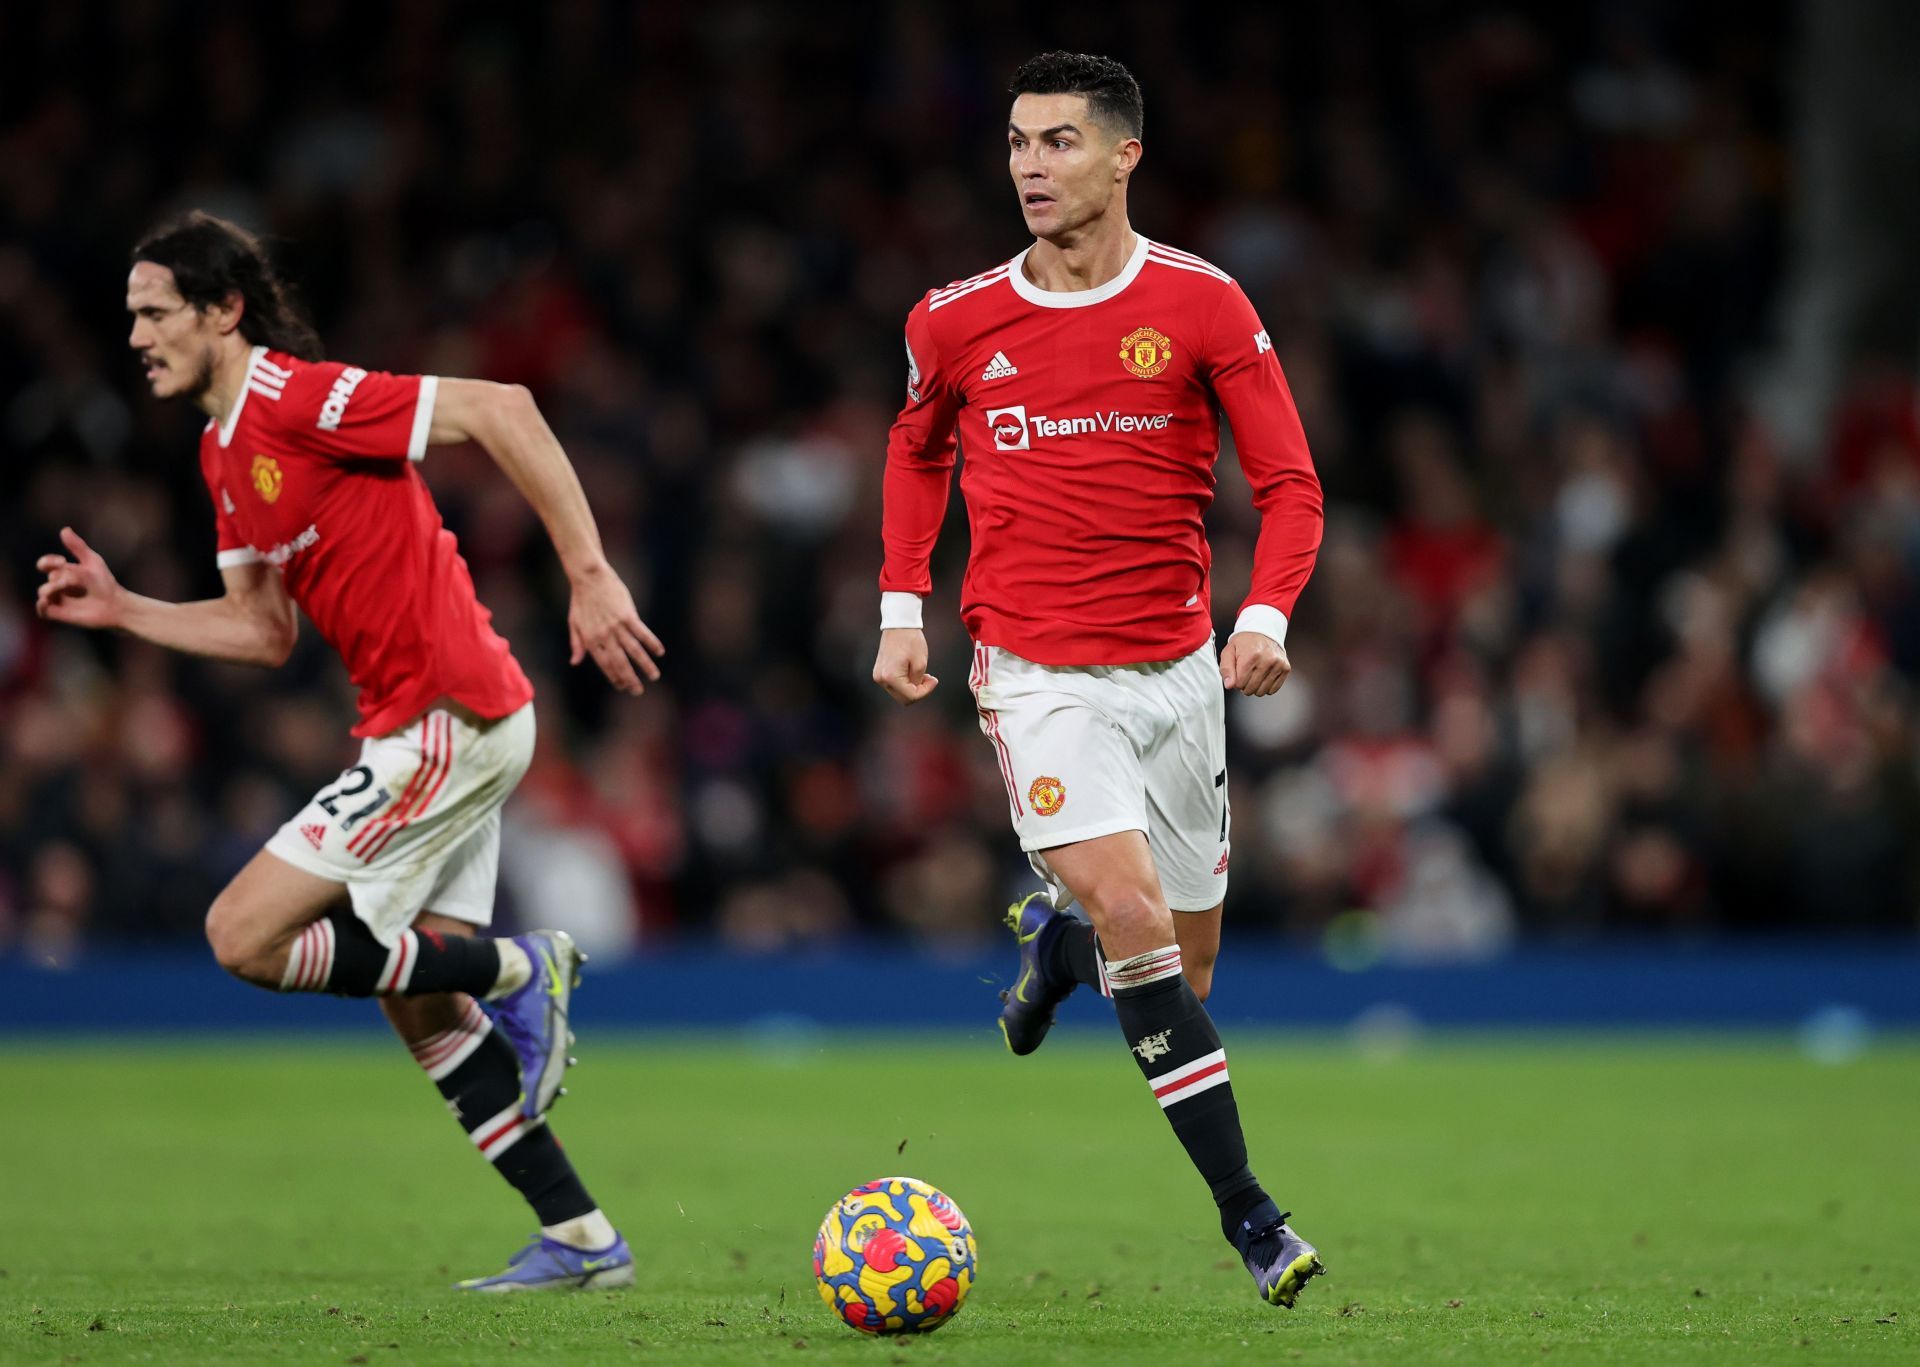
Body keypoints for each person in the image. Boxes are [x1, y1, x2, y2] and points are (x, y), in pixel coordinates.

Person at [34, 212, 659, 1292]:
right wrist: (130, 610)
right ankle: (584, 1237)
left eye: (154, 312)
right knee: (416, 1001)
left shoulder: (294, 395)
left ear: (224, 310)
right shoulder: (222, 448)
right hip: (433, 724)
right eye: (128, 315)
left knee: (241, 933)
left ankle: (523, 965)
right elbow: (261, 629)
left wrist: (590, 571)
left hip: (447, 718)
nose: (133, 335)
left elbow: (499, 406)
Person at [871, 53, 1327, 1307]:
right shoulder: (954, 320)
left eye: (1060, 142)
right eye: (1017, 142)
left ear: (1126, 155)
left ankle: (1061, 959)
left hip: (1180, 677)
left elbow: (1289, 483)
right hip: (1032, 672)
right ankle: (1254, 1219)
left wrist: (1269, 611)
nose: (1030, 165)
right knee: (1140, 920)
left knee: (1177, 974)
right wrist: (901, 605)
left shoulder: (1203, 304)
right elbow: (916, 452)